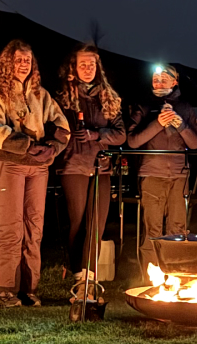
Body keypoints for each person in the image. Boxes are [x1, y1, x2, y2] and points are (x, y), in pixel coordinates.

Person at [0, 40, 68, 308]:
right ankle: (6, 290)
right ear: (8, 63)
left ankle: (29, 289)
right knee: (11, 227)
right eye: (19, 60)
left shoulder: (41, 95)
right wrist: (30, 146)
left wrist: (52, 147)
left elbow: (61, 125)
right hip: (11, 165)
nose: (24, 64)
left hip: (39, 168)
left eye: (28, 60)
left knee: (35, 226)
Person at [56, 44, 126, 278]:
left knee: (97, 223)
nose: (88, 68)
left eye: (92, 64)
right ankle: (76, 270)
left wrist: (97, 135)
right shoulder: (64, 96)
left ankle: (91, 274)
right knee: (76, 222)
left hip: (101, 167)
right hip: (73, 165)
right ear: (73, 67)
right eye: (83, 64)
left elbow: (121, 134)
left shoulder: (108, 97)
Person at [127, 64, 197, 258]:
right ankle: (152, 281)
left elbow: (195, 144)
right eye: (155, 79)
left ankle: (176, 278)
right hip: (152, 174)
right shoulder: (143, 106)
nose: (158, 83)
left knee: (178, 229)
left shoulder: (185, 107)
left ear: (174, 82)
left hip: (179, 175)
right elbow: (133, 141)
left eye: (163, 79)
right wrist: (158, 123)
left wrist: (181, 125)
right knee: (153, 230)